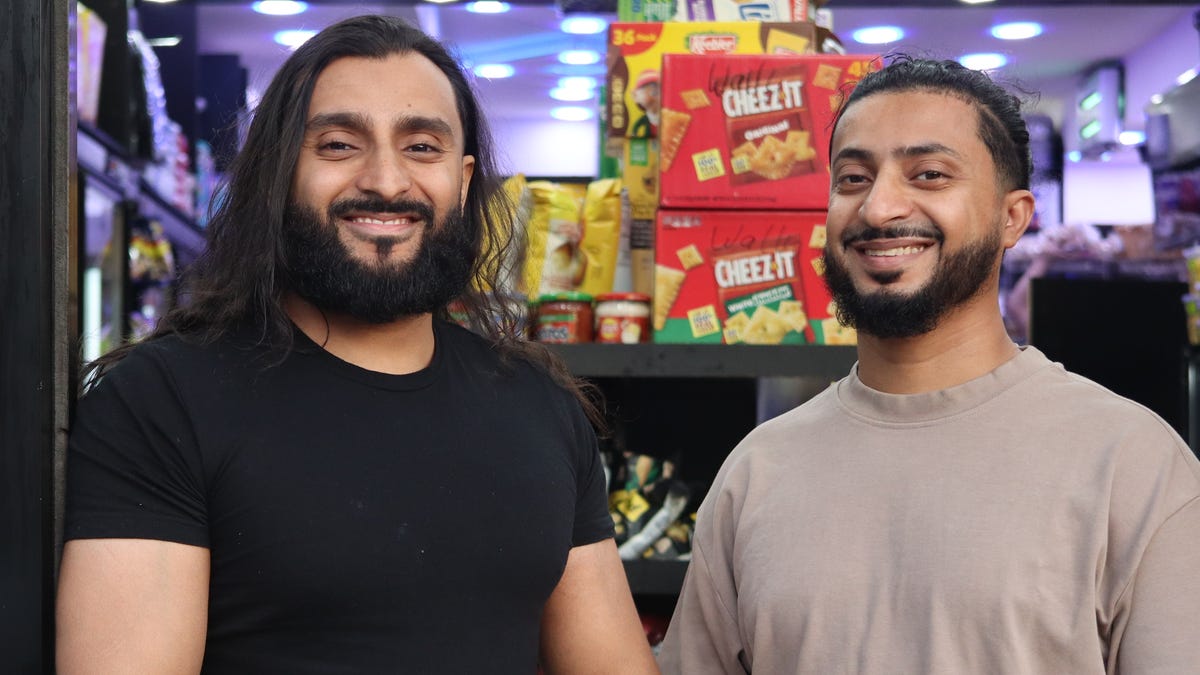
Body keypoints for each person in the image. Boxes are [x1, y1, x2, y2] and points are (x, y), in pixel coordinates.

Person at [57, 15, 659, 675]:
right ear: (281, 173)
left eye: (422, 147)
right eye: (340, 144)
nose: (387, 180)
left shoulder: (541, 408)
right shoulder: (160, 402)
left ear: (463, 181)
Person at [657, 55, 1200, 674]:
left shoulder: (1133, 465)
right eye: (853, 178)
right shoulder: (756, 470)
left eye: (930, 174)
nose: (879, 207)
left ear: (1011, 217)